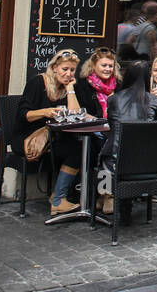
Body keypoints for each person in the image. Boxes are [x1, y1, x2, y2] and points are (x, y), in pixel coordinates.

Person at [14, 48, 102, 216]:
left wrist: (70, 89)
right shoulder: (38, 83)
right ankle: (58, 199)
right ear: (54, 67)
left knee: (85, 148)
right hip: (29, 137)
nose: (68, 73)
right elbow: (23, 115)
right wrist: (45, 112)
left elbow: (75, 114)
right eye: (65, 69)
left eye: (72, 70)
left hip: (54, 137)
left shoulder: (66, 87)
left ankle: (64, 197)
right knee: (76, 151)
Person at [103, 60, 157, 216]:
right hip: (150, 164)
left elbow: (112, 127)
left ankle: (106, 195)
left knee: (103, 153)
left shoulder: (114, 100)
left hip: (118, 164)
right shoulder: (156, 101)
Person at [79, 47, 120, 118]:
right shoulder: (83, 85)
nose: (107, 69)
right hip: (92, 127)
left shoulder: (119, 85)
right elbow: (80, 112)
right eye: (104, 65)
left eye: (110, 66)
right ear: (93, 66)